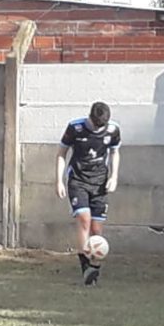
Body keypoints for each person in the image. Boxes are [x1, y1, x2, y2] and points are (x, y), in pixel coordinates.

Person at [55, 101, 121, 286]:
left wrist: (114, 177)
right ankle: (86, 267)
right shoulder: (75, 128)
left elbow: (115, 152)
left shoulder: (113, 130)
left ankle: (95, 267)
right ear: (90, 117)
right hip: (78, 180)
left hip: (100, 183)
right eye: (96, 124)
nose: (99, 128)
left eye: (102, 126)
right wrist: (59, 181)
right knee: (84, 219)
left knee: (96, 229)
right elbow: (61, 153)